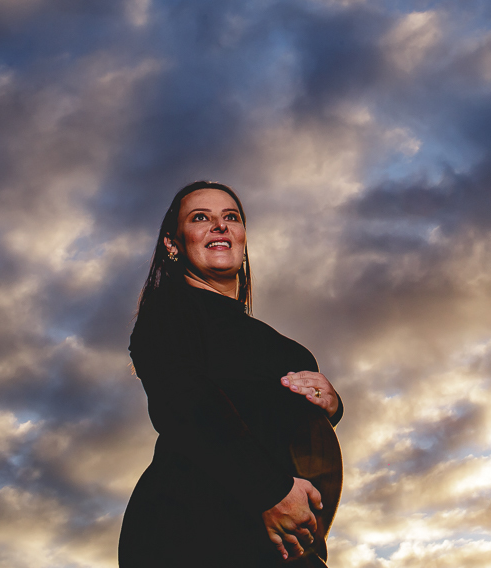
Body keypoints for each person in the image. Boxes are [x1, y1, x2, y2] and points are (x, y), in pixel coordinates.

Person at [118, 180, 343, 567]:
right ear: (172, 244)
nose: (219, 225)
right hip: (191, 529)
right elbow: (186, 406)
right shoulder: (168, 311)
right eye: (200, 218)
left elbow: (281, 431)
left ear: (242, 237)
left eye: (231, 217)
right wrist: (270, 491)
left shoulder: (285, 347)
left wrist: (331, 406)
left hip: (285, 539)